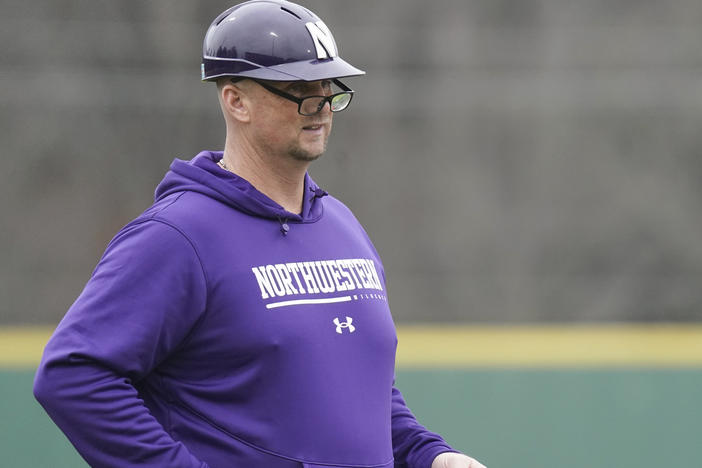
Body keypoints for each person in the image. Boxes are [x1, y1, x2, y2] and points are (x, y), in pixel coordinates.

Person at [33, 1, 487, 467]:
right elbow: (74, 375)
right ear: (236, 100)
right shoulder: (177, 237)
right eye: (298, 89)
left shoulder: (341, 224)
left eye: (328, 88)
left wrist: (430, 456)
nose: (321, 107)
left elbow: (362, 391)